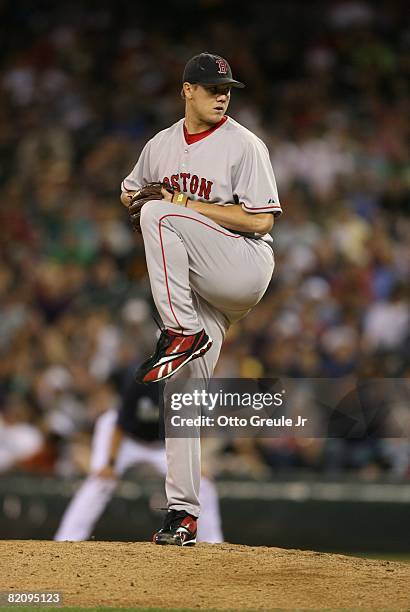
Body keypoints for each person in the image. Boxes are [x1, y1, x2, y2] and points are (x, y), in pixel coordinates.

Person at [120, 52, 282, 545]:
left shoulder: (245, 146)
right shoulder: (160, 145)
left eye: (227, 88)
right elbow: (129, 192)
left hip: (243, 264)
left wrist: (179, 203)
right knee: (181, 394)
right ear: (187, 89)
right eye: (212, 87)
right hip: (200, 286)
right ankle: (183, 514)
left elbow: (262, 219)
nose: (222, 95)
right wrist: (139, 200)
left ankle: (180, 330)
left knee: (161, 214)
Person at [54, 377, 223, 543]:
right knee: (100, 481)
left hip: (163, 446)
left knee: (202, 484)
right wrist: (110, 463)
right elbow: (119, 425)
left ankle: (213, 543)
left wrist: (195, 463)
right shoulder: (143, 381)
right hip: (128, 441)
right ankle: (67, 538)